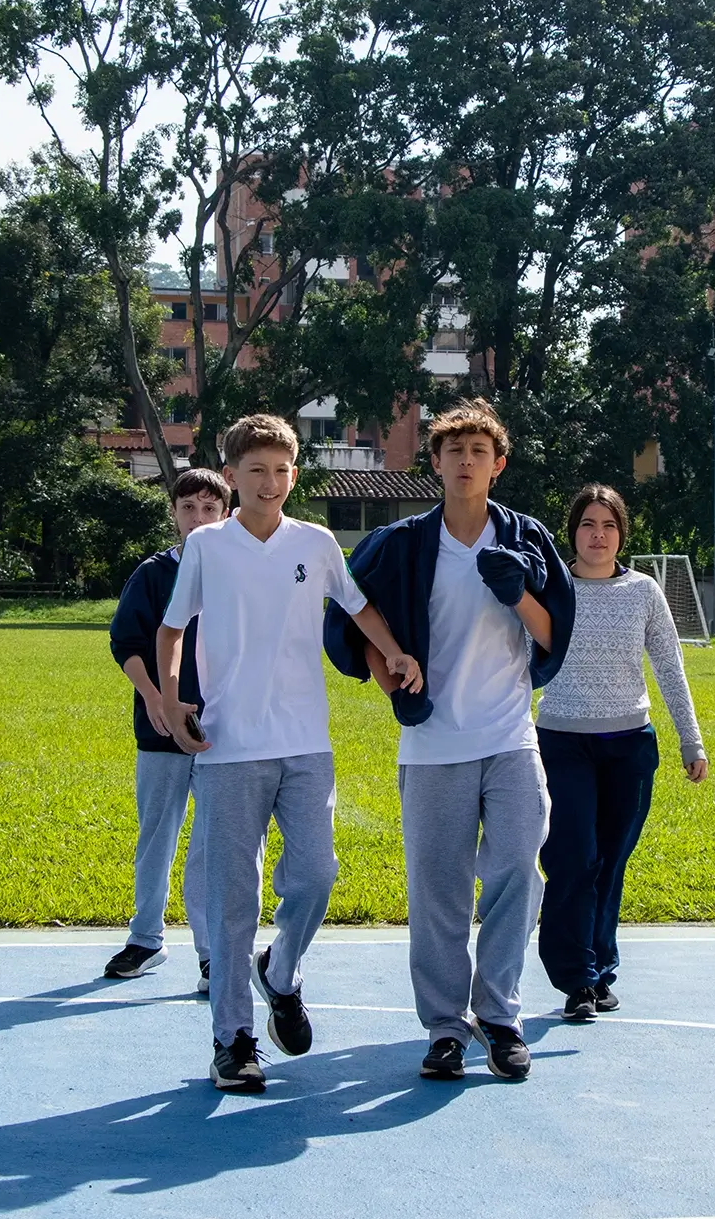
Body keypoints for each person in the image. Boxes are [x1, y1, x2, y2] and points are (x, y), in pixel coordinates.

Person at [157, 414, 423, 1094]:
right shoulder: (208, 548)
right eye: (255, 471)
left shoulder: (318, 541)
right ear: (232, 476)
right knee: (232, 898)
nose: (269, 483)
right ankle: (234, 1041)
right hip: (228, 748)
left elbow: (359, 607)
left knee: (317, 873)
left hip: (307, 744)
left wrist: (391, 650)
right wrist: (169, 698)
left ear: (294, 475)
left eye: (281, 471)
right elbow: (171, 629)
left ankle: (281, 969)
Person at [324, 399, 576, 1084]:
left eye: (478, 451)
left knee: (518, 869)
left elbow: (555, 634)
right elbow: (348, 615)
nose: (465, 462)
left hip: (509, 737)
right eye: (452, 450)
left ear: (499, 463)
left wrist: (517, 591)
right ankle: (443, 1025)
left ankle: (499, 1014)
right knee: (438, 892)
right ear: (433, 462)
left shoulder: (525, 537)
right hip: (434, 744)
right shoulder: (402, 544)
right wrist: (392, 680)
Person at [535, 484, 706, 1022]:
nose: (598, 535)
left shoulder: (644, 592)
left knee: (610, 862)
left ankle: (600, 966)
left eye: (608, 526)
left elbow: (670, 667)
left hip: (629, 746)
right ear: (573, 532)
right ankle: (577, 978)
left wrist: (690, 738)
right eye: (588, 524)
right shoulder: (549, 587)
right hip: (562, 743)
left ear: (622, 534)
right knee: (571, 857)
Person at [102, 467, 228, 992]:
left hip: (226, 731)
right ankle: (146, 937)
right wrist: (157, 697)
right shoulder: (154, 574)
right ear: (173, 514)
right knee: (157, 835)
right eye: (188, 508)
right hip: (160, 729)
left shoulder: (239, 569)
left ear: (225, 512)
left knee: (213, 845)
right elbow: (127, 642)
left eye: (208, 508)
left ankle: (211, 951)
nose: (198, 518)